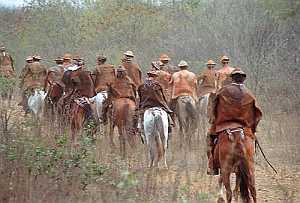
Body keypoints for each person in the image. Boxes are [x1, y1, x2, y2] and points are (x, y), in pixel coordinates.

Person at [206, 69, 262, 175]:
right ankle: (250, 159)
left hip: (224, 124)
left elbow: (214, 105)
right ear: (244, 79)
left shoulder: (223, 91)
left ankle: (212, 165)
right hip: (244, 126)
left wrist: (213, 118)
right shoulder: (249, 94)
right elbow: (257, 113)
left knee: (209, 137)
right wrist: (253, 127)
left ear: (232, 78)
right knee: (252, 139)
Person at [138, 70, 174, 136]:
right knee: (167, 112)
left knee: (140, 115)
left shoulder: (141, 86)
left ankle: (139, 128)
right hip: (158, 104)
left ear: (148, 75)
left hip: (146, 105)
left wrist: (140, 106)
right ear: (155, 76)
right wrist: (166, 104)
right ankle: (169, 125)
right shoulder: (158, 85)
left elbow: (140, 97)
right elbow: (163, 97)